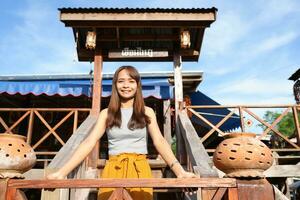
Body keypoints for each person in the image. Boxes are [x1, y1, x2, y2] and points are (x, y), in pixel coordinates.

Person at [47, 66, 197, 200]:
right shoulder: (106, 113)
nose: (126, 85)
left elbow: (160, 142)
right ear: (115, 85)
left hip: (139, 170)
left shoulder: (147, 112)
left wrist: (180, 172)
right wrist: (62, 172)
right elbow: (89, 142)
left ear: (137, 85)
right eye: (121, 81)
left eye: (131, 81)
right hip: (113, 169)